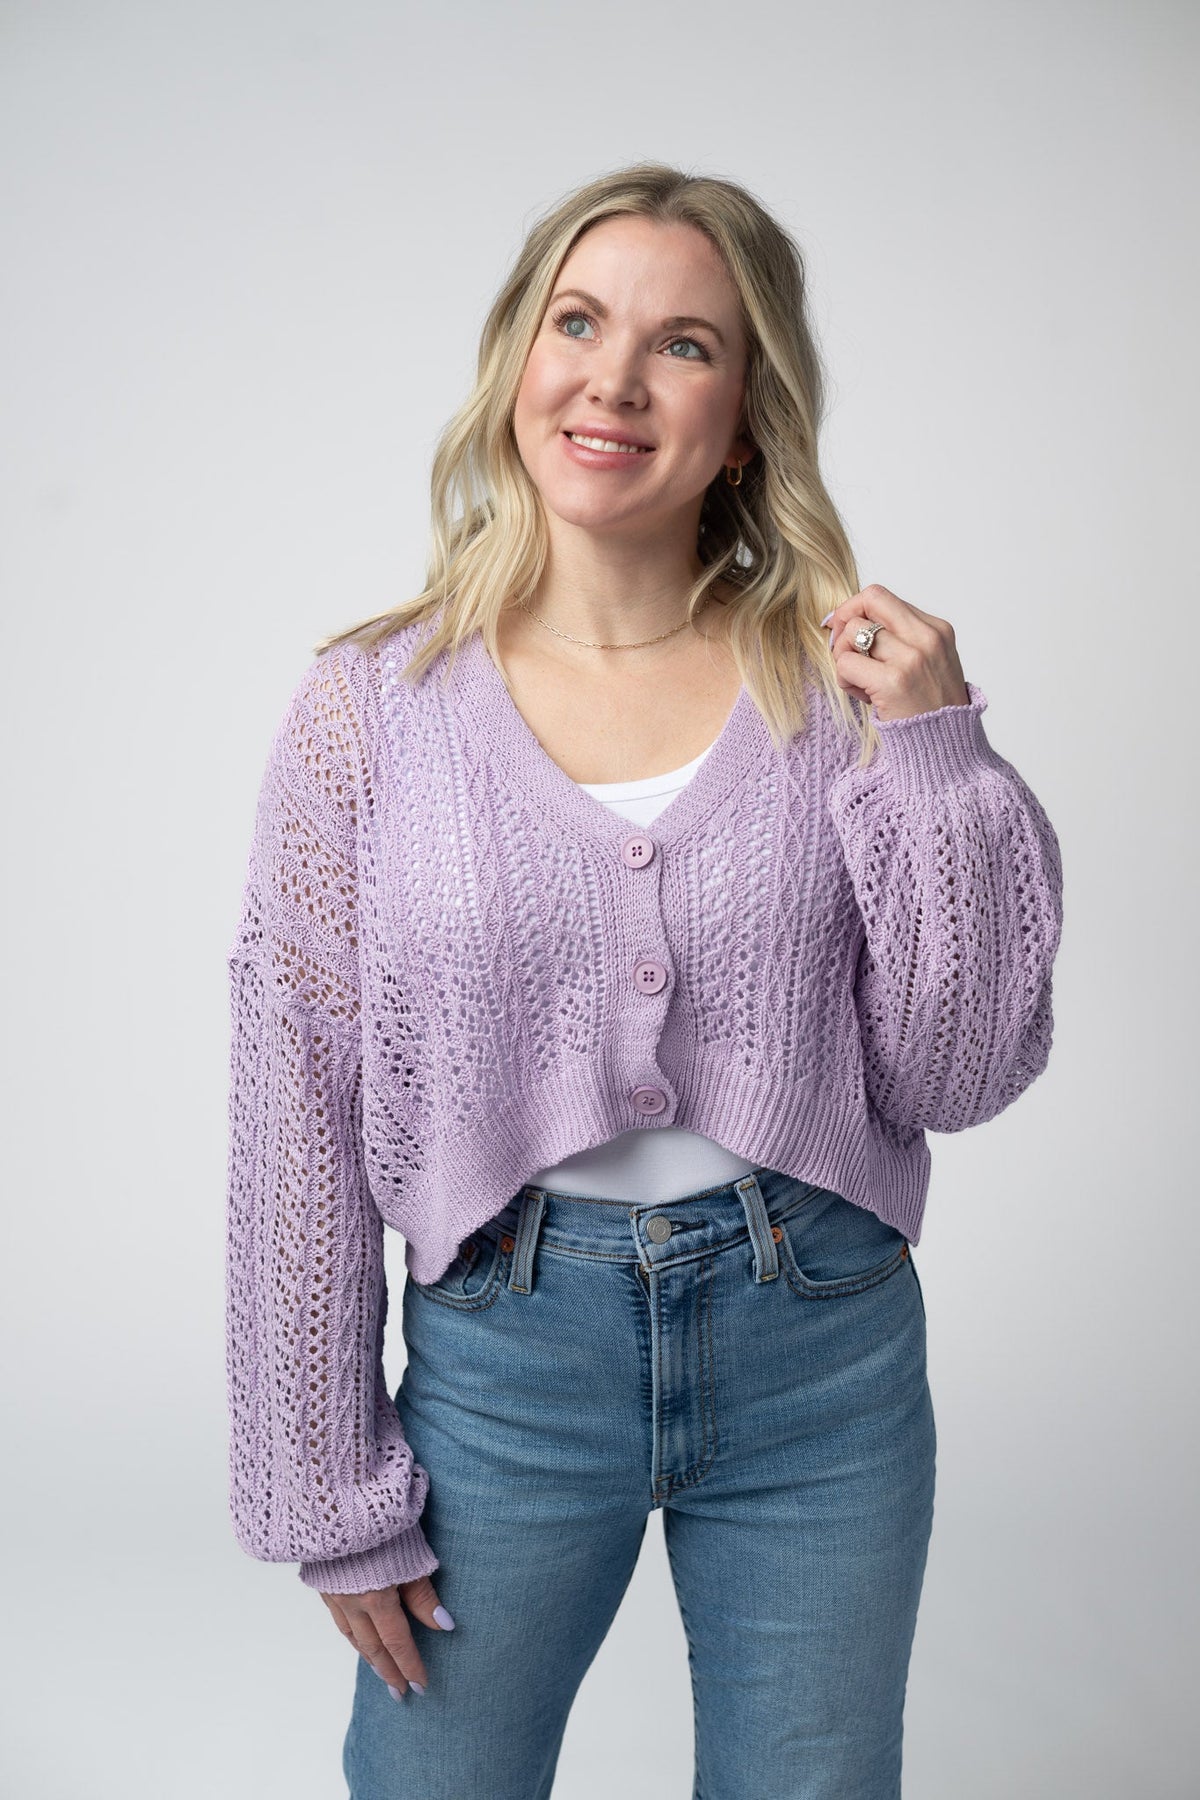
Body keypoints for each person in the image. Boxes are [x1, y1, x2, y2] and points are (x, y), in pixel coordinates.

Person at [224, 162, 1064, 1799]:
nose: (613, 379)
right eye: (579, 322)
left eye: (684, 344)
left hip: (817, 1346)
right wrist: (326, 1491)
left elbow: (958, 1074)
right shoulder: (371, 709)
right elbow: (293, 1099)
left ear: (746, 418)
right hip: (504, 1363)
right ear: (517, 366)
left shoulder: (846, 702)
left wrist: (944, 766)